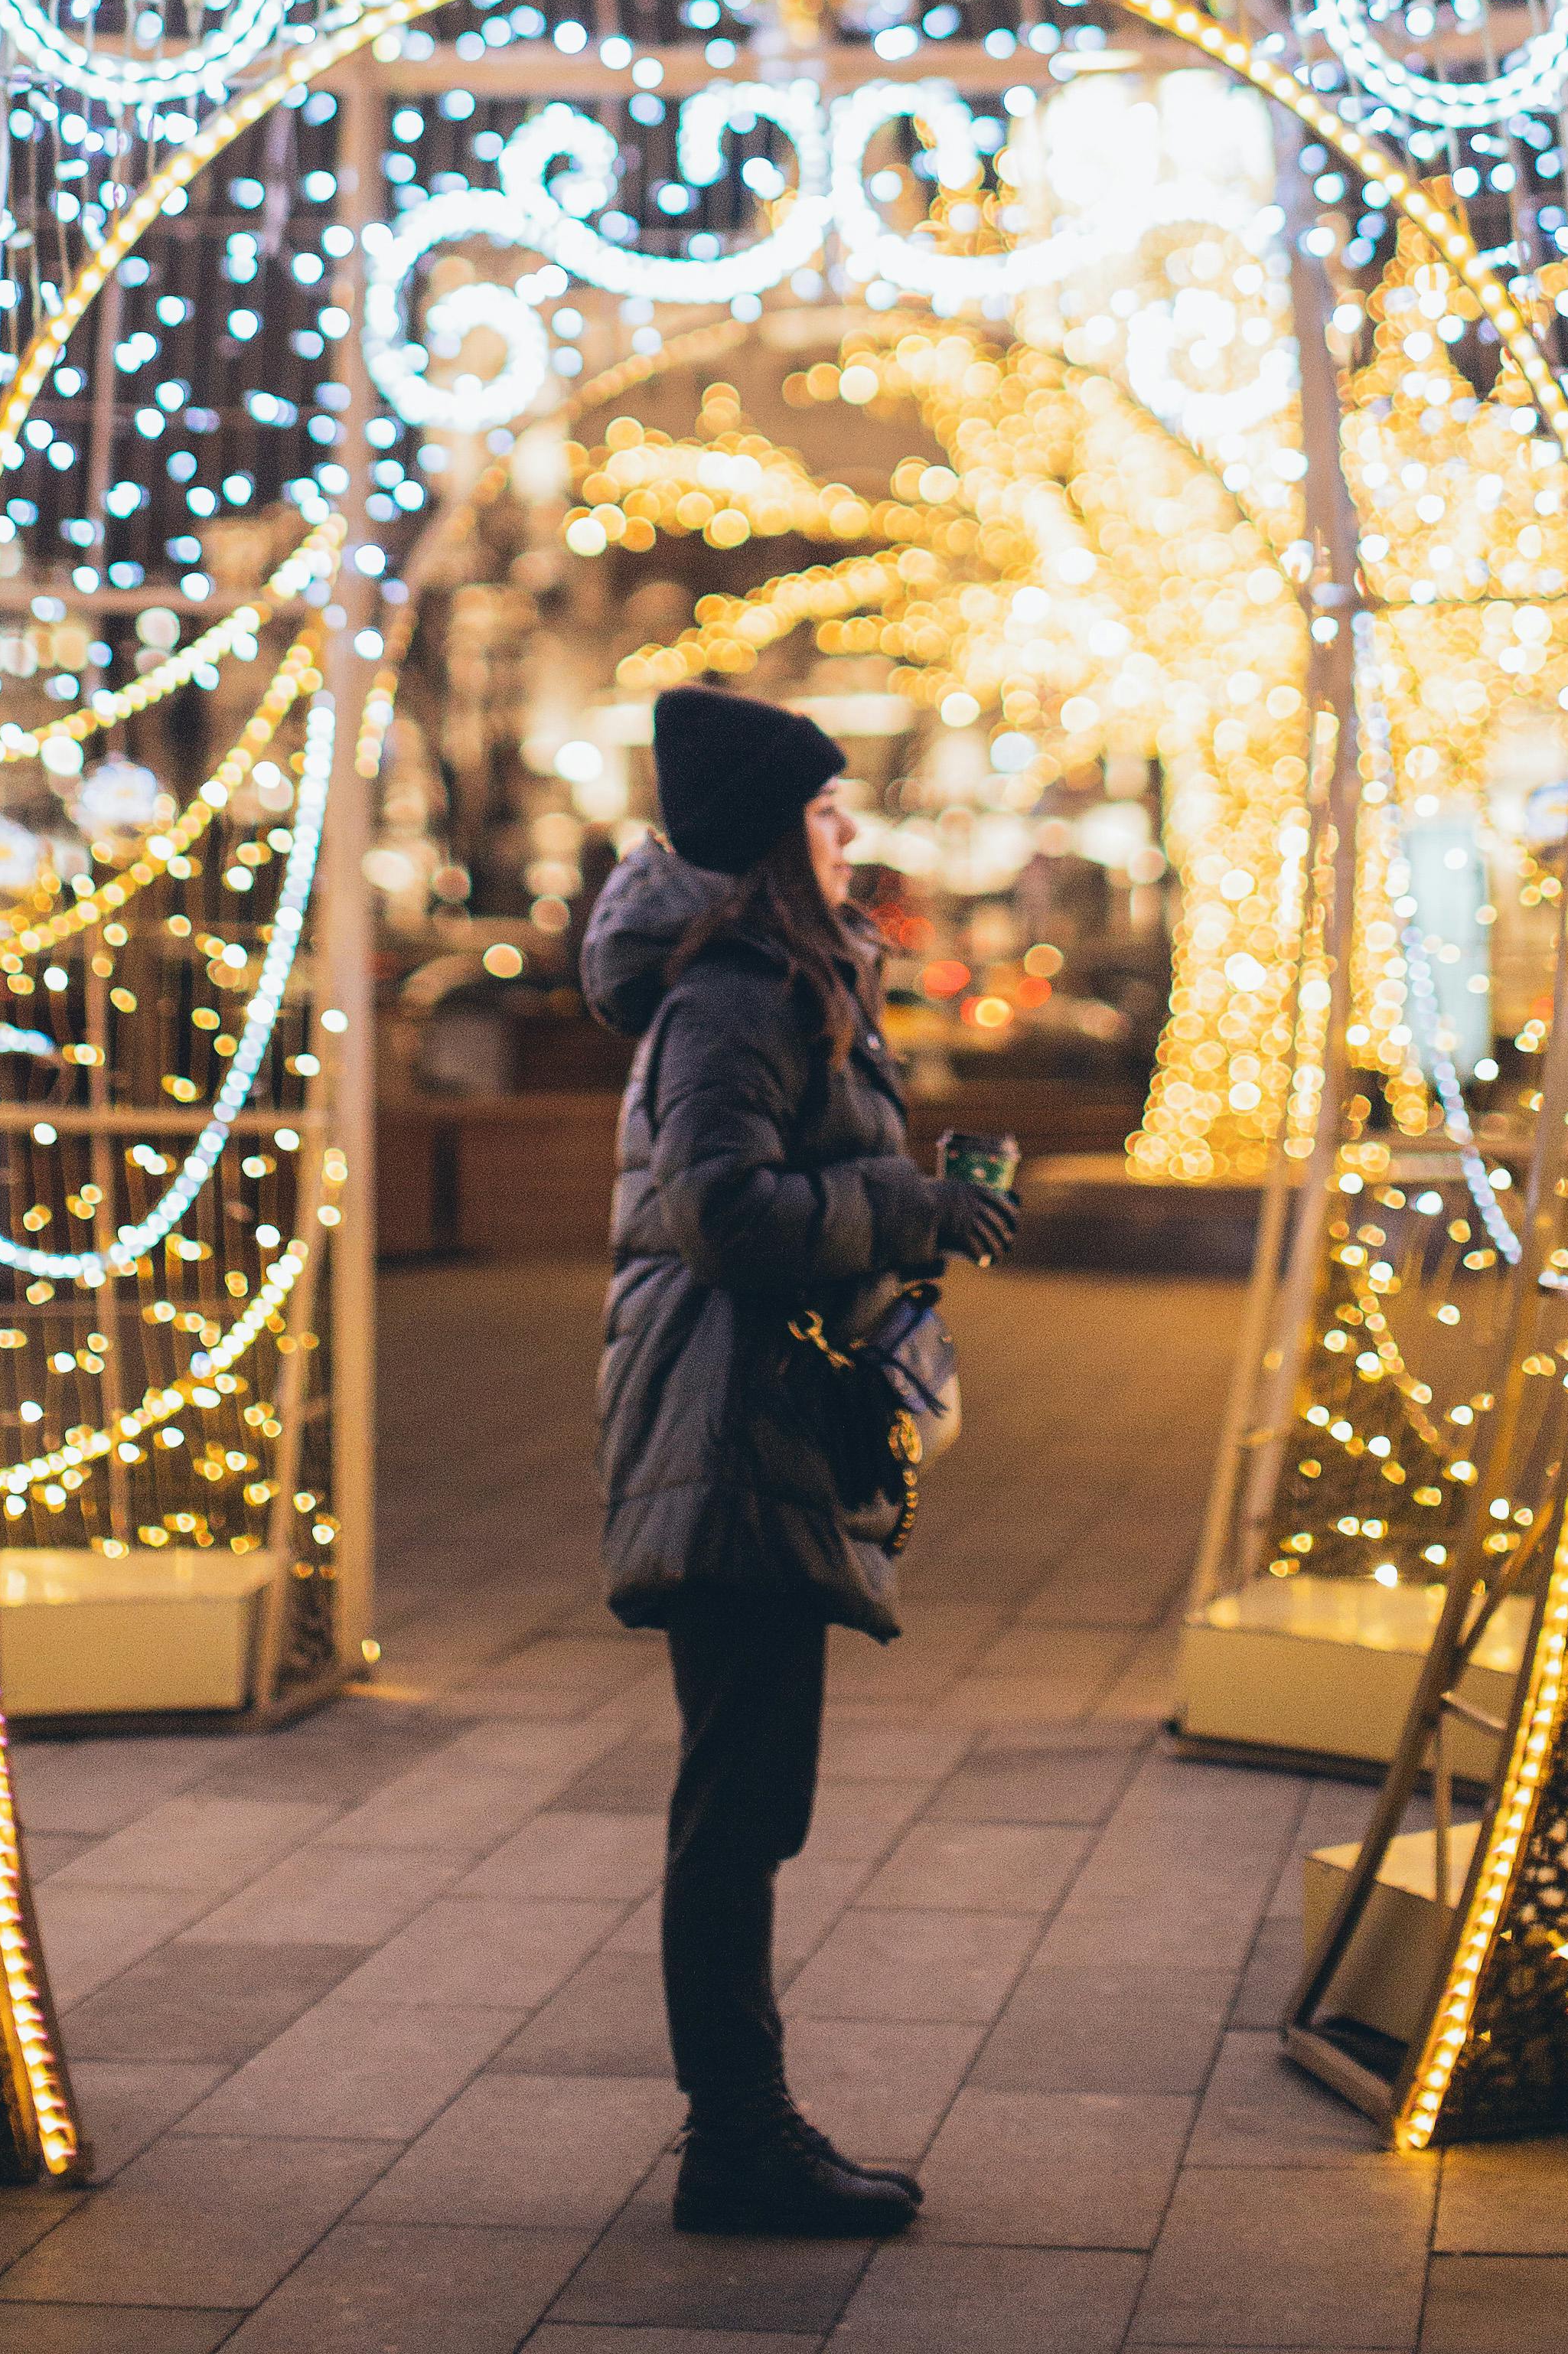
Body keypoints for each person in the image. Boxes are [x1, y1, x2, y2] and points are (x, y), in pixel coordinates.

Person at [581, 683, 1021, 2238]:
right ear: (779, 835)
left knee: (751, 1801)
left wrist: (909, 1209)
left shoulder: (774, 978)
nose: (851, 834)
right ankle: (739, 2140)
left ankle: (744, 2132)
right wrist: (901, 1208)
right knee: (737, 1807)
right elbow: (723, 1212)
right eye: (828, 812)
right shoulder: (736, 993)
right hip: (725, 1427)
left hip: (755, 1423)